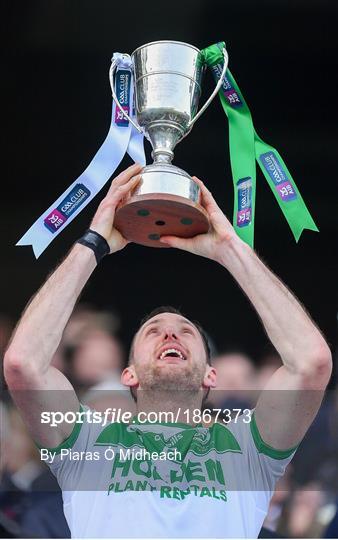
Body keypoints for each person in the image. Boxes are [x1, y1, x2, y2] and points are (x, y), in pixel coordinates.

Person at [4, 163, 332, 538]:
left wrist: (230, 250)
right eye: (153, 331)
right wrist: (94, 242)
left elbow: (311, 363)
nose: (170, 336)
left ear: (212, 374)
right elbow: (23, 365)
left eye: (186, 332)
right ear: (129, 374)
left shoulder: (248, 448)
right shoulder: (87, 443)